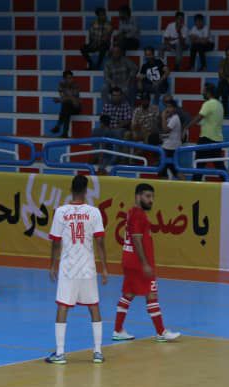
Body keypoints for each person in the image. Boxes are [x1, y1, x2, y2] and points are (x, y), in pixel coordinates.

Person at [45, 175, 110, 365]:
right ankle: (97, 352)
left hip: (69, 268)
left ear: (71, 189)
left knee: (63, 306)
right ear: (86, 191)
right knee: (94, 306)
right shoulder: (94, 212)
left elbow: (55, 242)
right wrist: (104, 267)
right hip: (87, 267)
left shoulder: (61, 212)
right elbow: (100, 241)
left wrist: (52, 264)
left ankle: (60, 353)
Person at [113, 183, 181, 342]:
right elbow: (136, 239)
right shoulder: (138, 215)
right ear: (138, 196)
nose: (151, 200)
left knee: (128, 294)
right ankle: (161, 332)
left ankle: (118, 329)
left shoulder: (131, 212)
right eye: (148, 196)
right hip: (138, 263)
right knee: (152, 294)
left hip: (129, 260)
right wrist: (144, 263)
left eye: (152, 197)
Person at [188, 84, 226, 180]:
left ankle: (194, 185)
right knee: (219, 166)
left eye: (204, 91)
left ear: (208, 93)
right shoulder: (220, 104)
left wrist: (186, 127)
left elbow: (199, 117)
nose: (202, 93)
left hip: (206, 138)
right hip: (217, 139)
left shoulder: (208, 104)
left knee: (199, 165)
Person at [51, 70, 81, 138]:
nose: (71, 79)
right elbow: (63, 97)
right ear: (64, 79)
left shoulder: (75, 85)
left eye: (71, 78)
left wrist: (60, 100)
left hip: (76, 107)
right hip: (67, 107)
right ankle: (64, 133)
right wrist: (63, 99)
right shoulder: (61, 84)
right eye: (68, 78)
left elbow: (74, 99)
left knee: (66, 106)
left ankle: (58, 126)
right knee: (66, 109)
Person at [159, 102, 182, 179]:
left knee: (164, 171)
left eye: (170, 107)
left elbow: (165, 130)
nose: (168, 109)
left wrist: (163, 117)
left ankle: (186, 184)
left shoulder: (175, 118)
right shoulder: (170, 118)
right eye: (167, 107)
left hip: (171, 148)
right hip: (167, 147)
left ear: (175, 108)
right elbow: (166, 132)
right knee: (172, 170)